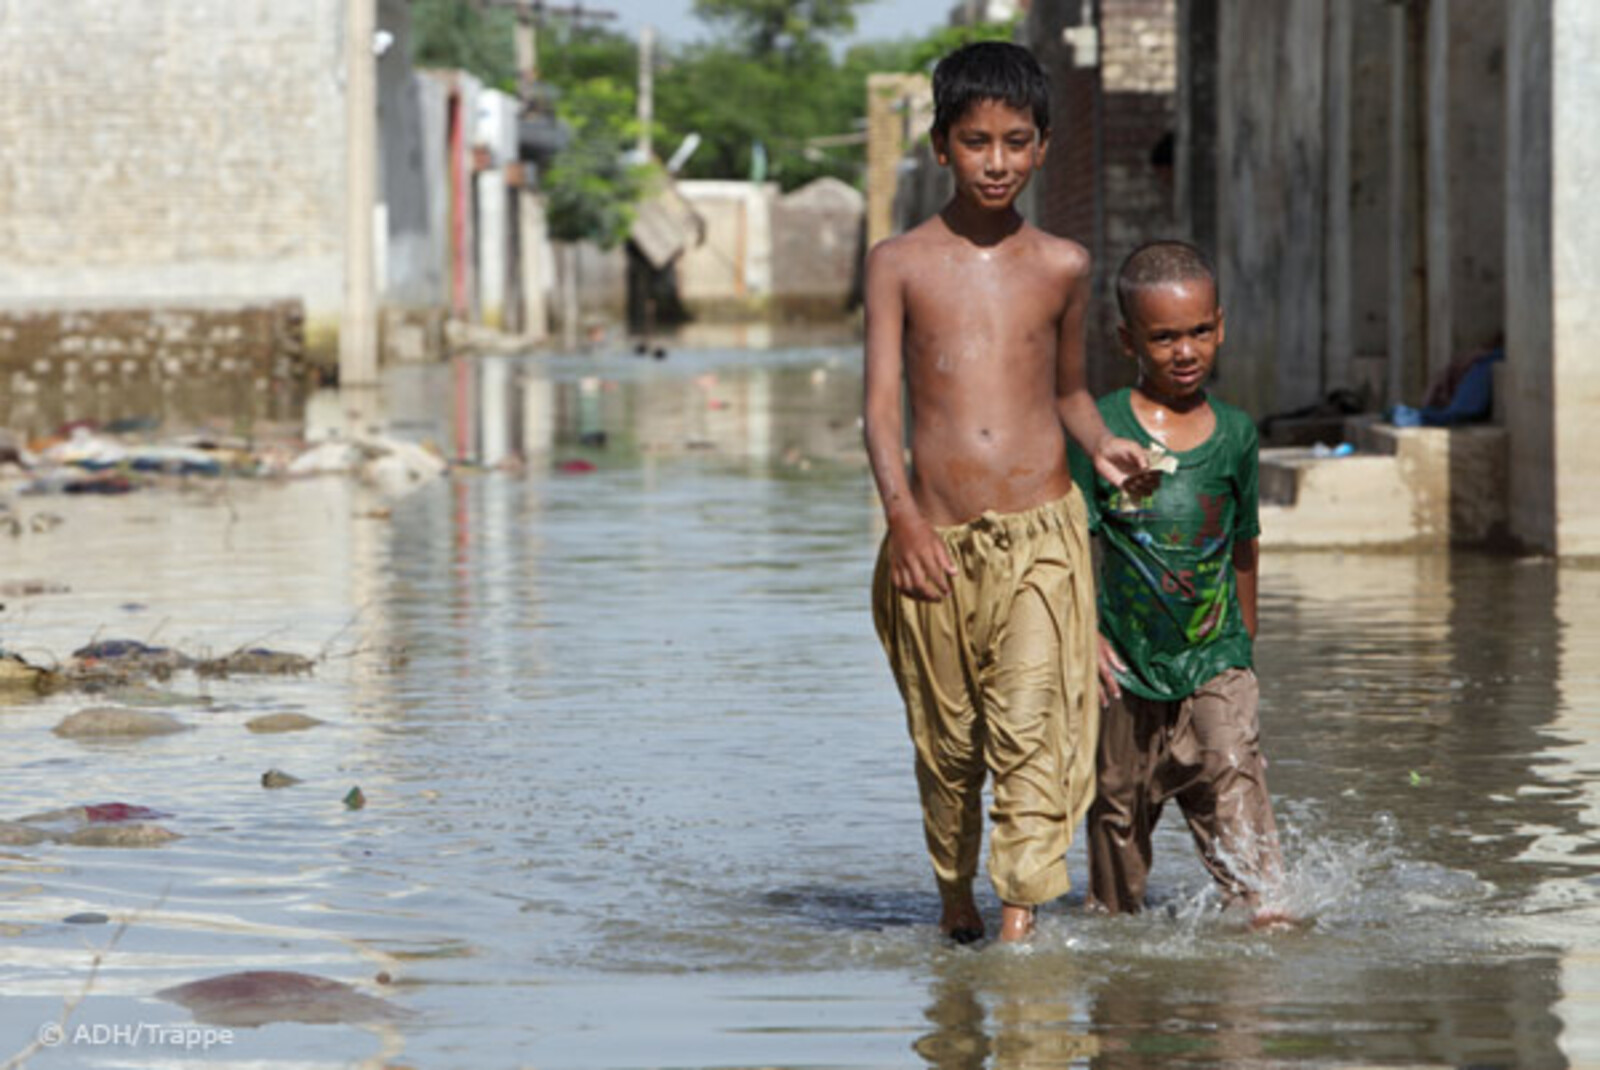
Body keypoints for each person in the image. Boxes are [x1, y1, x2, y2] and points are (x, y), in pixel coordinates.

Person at [864, 41, 1150, 944]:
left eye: (1016, 142)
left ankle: (1020, 933)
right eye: (977, 140)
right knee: (950, 750)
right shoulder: (898, 261)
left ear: (1043, 147)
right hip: (935, 541)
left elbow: (1067, 391)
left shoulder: (1062, 263)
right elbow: (878, 413)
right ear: (942, 145)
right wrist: (904, 522)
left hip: (1043, 535)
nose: (998, 161)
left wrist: (1105, 446)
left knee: (1034, 730)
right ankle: (958, 907)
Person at [1070, 239, 1287, 921]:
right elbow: (1074, 544)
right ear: (1127, 339)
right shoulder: (1100, 429)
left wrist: (1242, 648)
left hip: (1212, 657)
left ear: (1219, 325)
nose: (1185, 351)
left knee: (1234, 776)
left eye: (1198, 332)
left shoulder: (1236, 435)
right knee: (1115, 818)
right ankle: (1117, 970)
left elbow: (1244, 544)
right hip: (1123, 666)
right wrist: (1085, 639)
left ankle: (1265, 920)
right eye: (1163, 337)